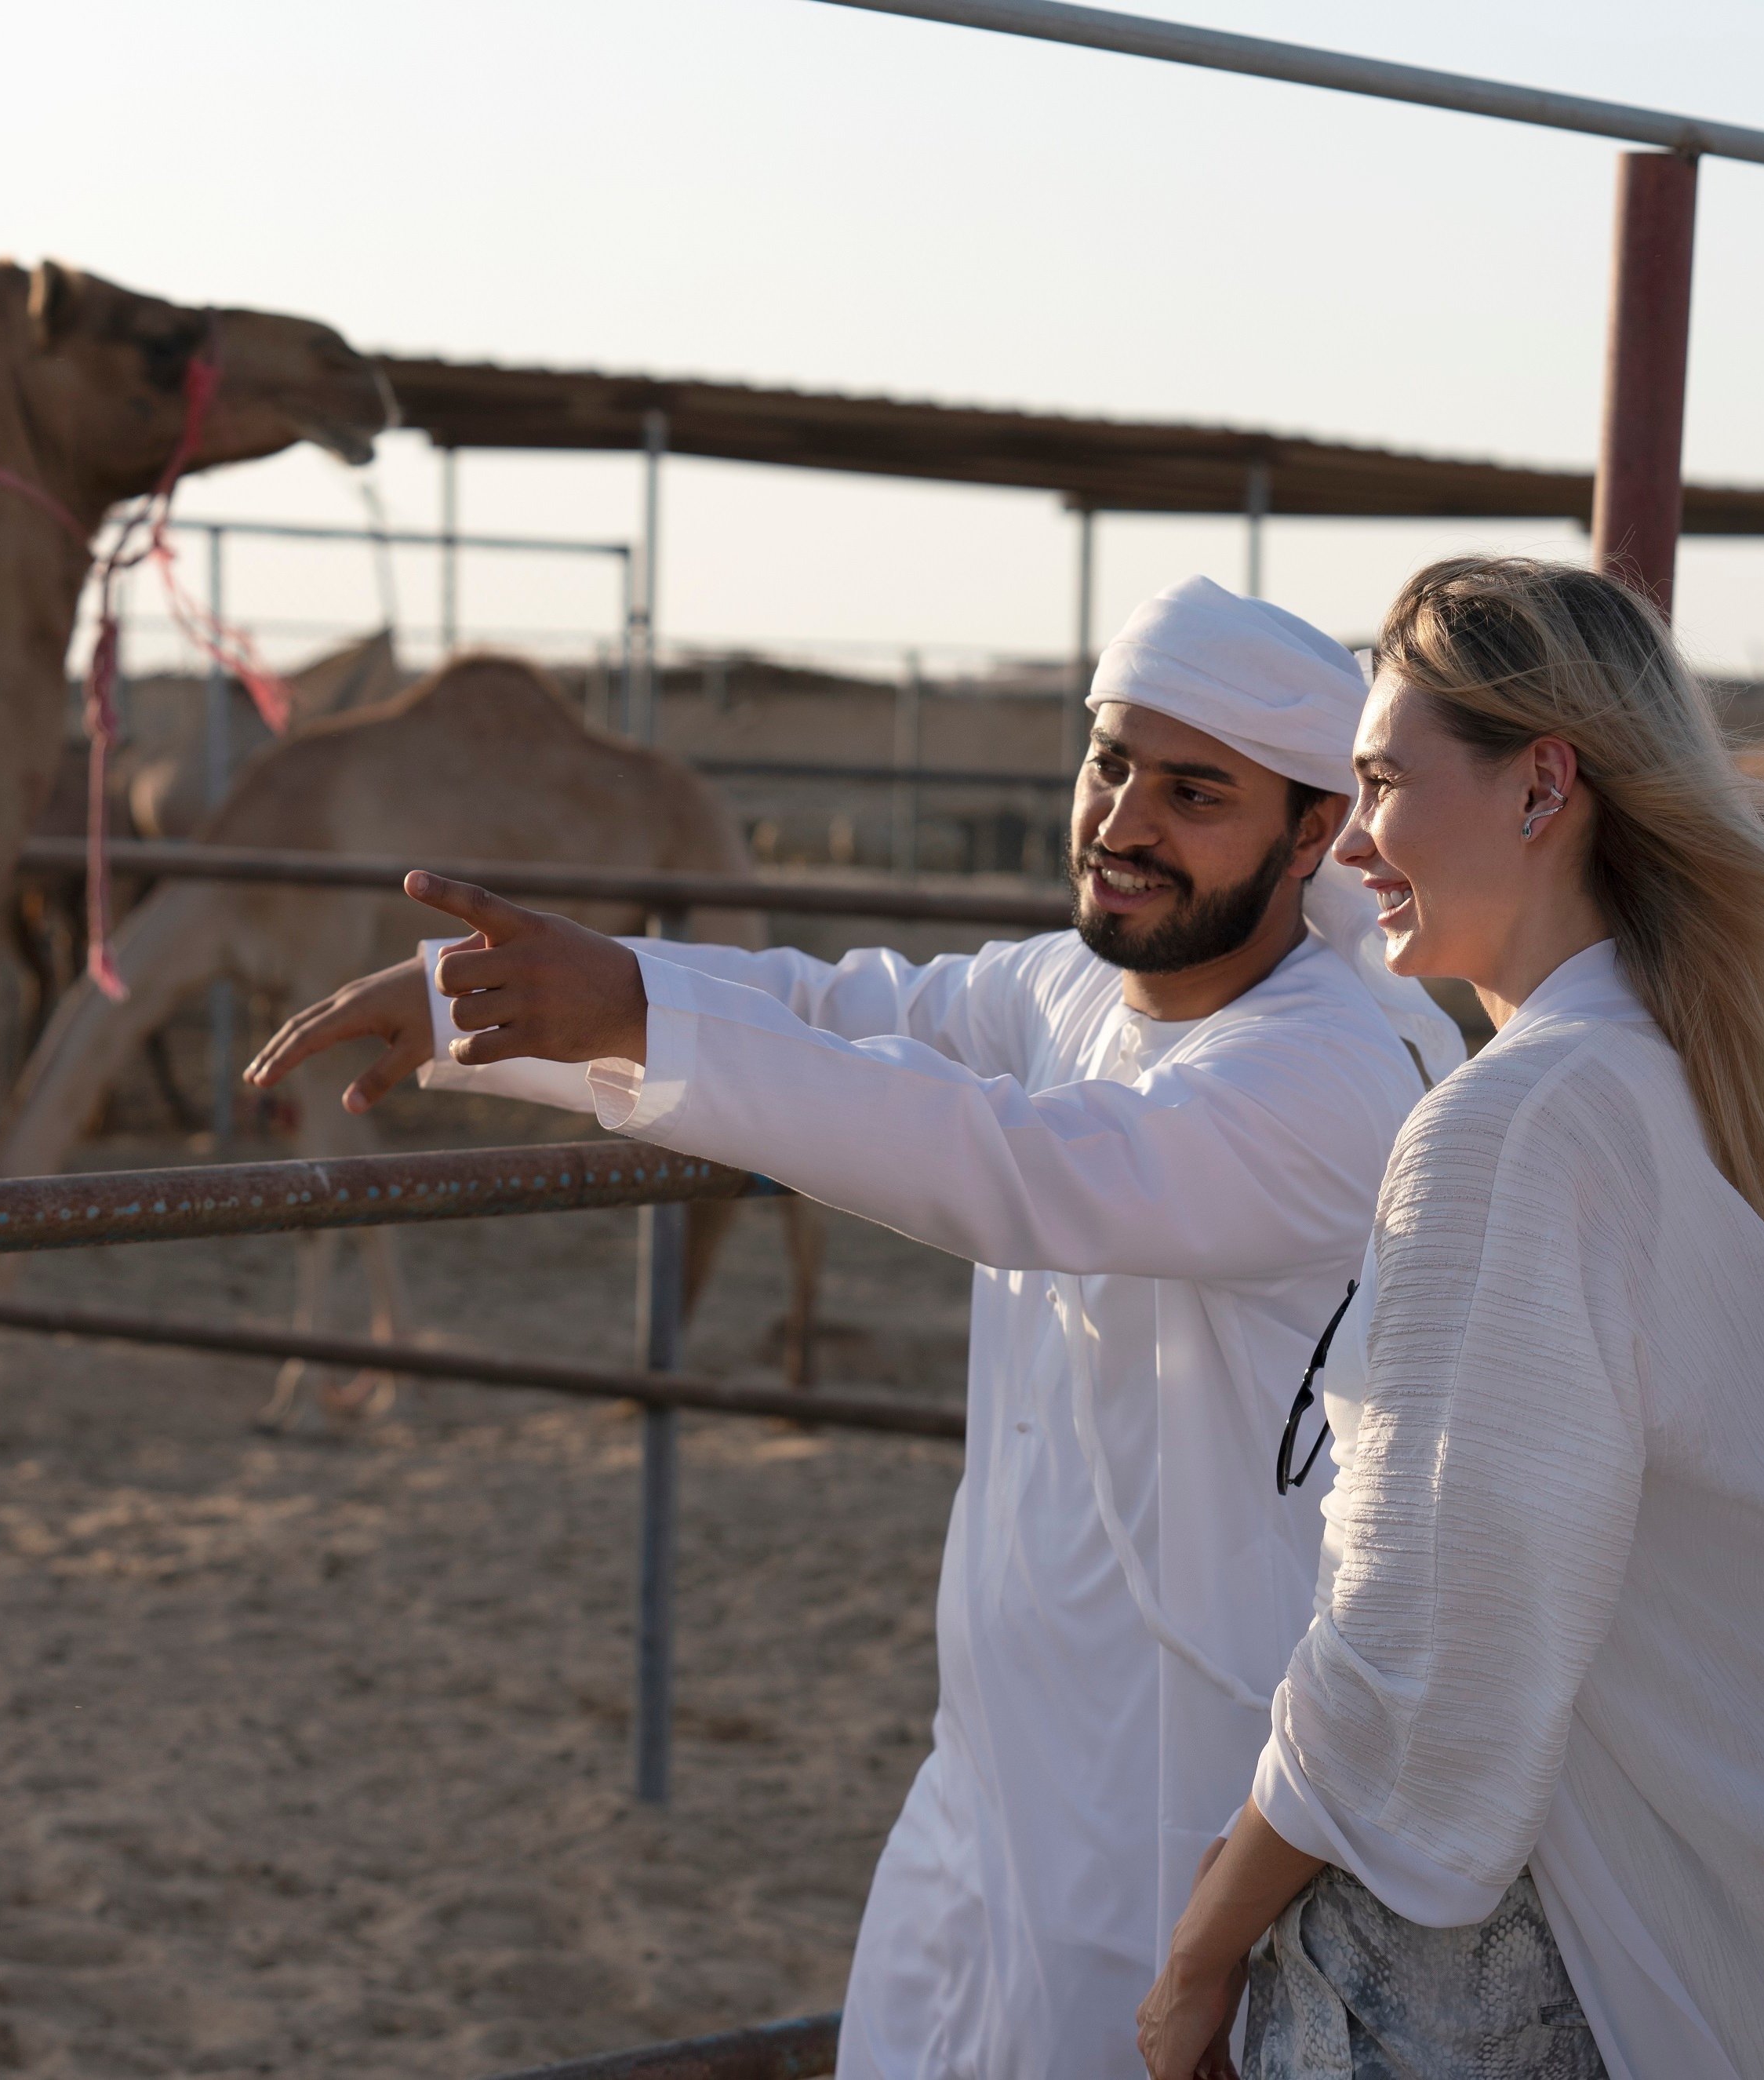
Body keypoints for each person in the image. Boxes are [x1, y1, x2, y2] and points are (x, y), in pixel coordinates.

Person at [246, 576, 1464, 2078]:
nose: (1125, 820)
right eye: (1109, 764)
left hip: (1183, 1783)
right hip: (994, 1762)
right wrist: (502, 1003)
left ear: (1309, 837)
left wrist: (628, 1001)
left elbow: (1018, 1168)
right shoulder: (1076, 988)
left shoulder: (1330, 1071)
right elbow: (844, 1017)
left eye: (1195, 791)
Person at [1137, 555, 1764, 2079]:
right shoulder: (1647, 1076)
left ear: (1541, 787)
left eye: (1382, 787)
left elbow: (1424, 1653)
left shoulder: (1521, 1120)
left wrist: (1202, 1949)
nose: (1348, 848)